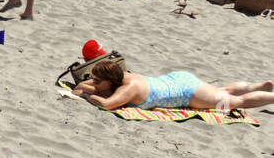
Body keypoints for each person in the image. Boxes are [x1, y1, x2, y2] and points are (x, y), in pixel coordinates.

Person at [74, 57, 274, 112]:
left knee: (235, 101)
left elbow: (107, 104)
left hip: (188, 93)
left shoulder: (128, 88)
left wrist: (85, 95)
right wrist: (87, 86)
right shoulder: (122, 76)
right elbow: (102, 88)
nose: (93, 82)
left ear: (109, 81)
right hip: (177, 80)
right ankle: (261, 86)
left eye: (97, 80)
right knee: (223, 90)